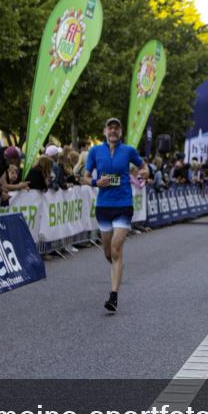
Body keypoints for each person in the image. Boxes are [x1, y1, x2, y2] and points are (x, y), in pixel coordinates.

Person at [83, 118, 149, 313]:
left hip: (123, 204)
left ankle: (113, 296)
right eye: (110, 128)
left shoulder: (128, 150)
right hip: (103, 205)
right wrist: (96, 183)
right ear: (105, 131)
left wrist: (144, 172)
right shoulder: (95, 151)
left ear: (120, 132)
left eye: (116, 128)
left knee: (116, 248)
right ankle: (117, 268)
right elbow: (84, 177)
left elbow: (143, 166)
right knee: (108, 253)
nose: (113, 131)